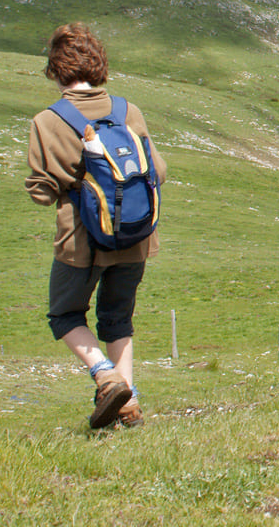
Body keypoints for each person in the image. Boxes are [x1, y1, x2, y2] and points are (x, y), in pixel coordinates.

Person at [25, 23, 167, 428]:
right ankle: (130, 403)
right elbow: (158, 170)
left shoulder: (48, 121)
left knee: (65, 315)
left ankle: (106, 376)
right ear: (99, 64)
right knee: (118, 319)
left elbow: (42, 193)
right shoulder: (127, 111)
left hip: (83, 243)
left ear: (56, 68)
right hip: (137, 237)